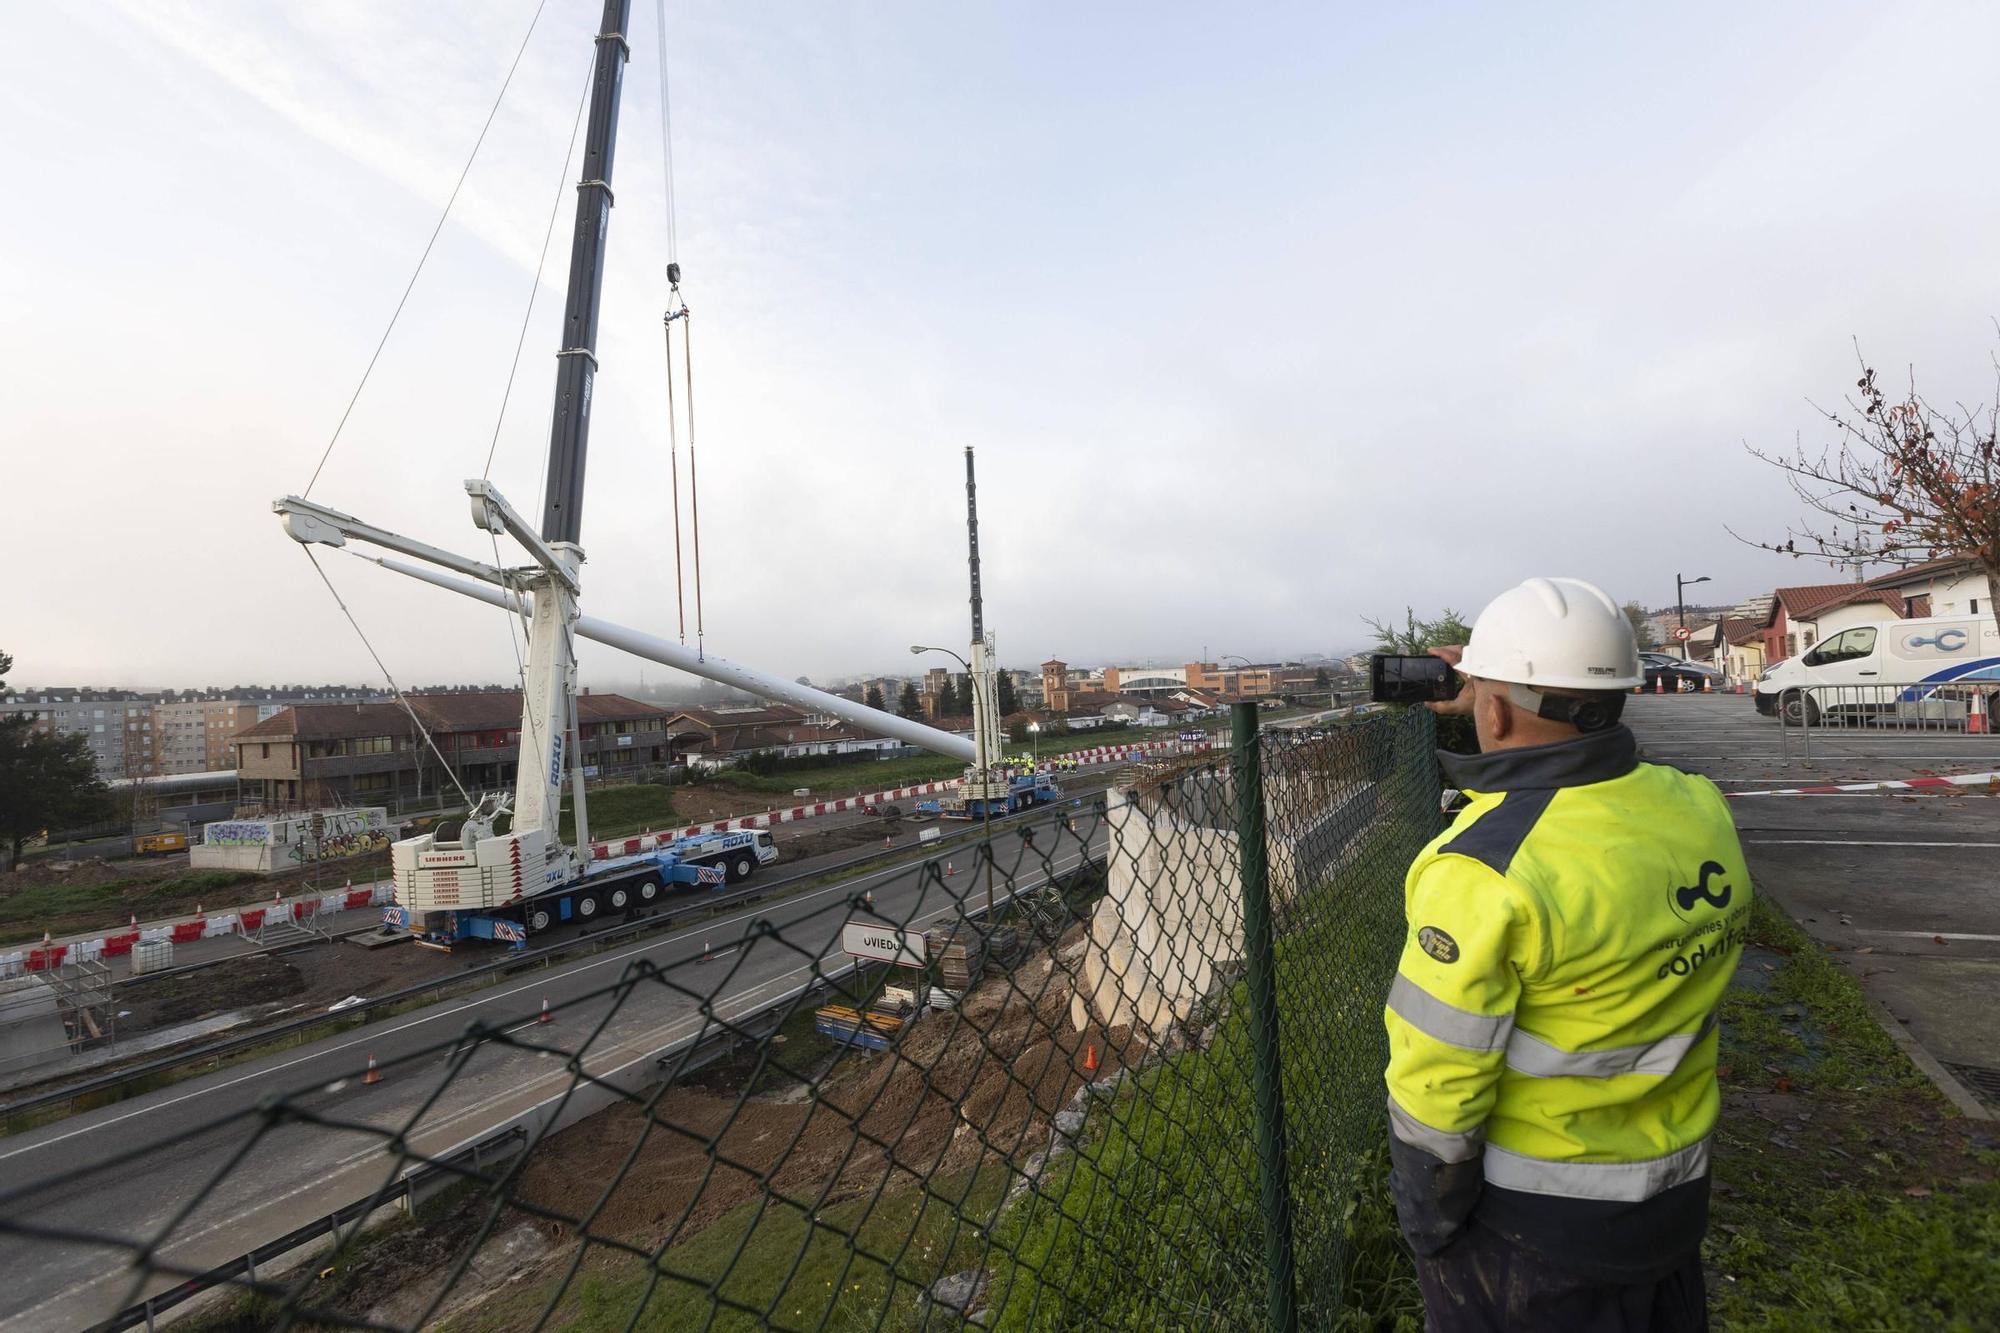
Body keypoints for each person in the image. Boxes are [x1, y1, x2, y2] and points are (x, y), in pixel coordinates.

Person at [1383, 577, 1751, 1332]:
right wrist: (1493, 689)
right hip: (1673, 1200)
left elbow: (1436, 1096)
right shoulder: (1697, 807)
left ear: (1489, 707)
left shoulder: (1484, 870)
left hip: (1539, 1235)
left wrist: (1431, 1231)